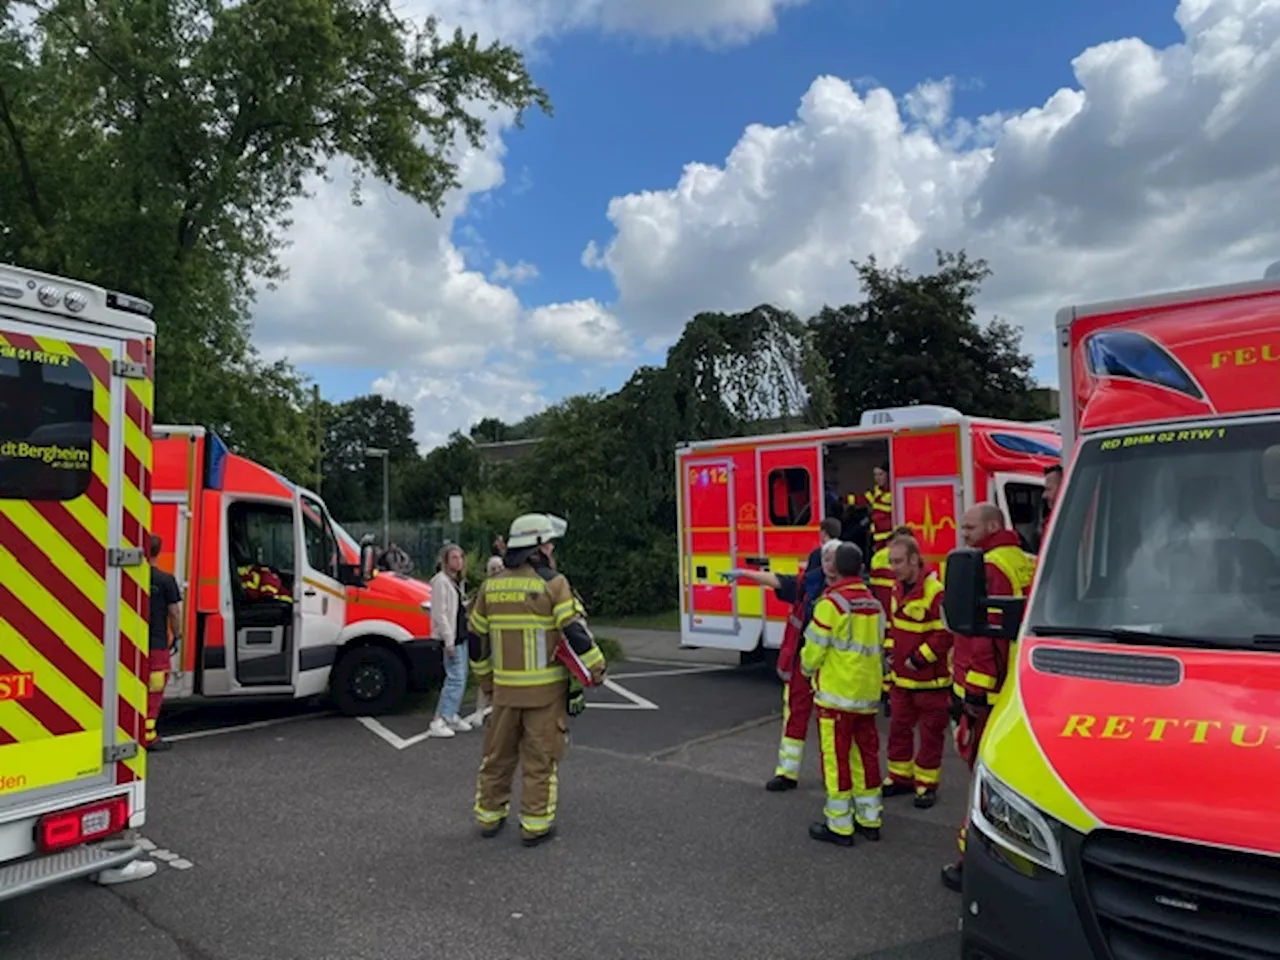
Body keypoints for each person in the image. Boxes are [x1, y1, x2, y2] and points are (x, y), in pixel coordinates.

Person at [468, 513, 607, 846]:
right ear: (536, 548)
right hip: (543, 696)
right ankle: (534, 825)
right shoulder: (553, 584)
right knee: (539, 760)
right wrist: (597, 668)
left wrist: (486, 682)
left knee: (497, 757)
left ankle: (489, 817)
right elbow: (574, 632)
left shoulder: (491, 587)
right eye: (548, 543)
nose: (551, 549)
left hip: (503, 694)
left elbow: (475, 640)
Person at [941, 502, 1037, 891]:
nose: (963, 533)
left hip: (990, 691)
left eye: (969, 527)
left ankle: (975, 864)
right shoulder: (1026, 560)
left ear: (994, 525)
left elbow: (981, 637)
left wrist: (974, 696)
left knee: (982, 778)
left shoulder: (990, 566)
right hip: (1021, 681)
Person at [725, 515, 842, 790]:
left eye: (828, 562)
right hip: (807, 661)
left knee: (833, 726)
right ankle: (788, 772)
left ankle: (835, 778)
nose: (824, 568)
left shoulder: (844, 592)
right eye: (822, 562)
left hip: (833, 666)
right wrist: (746, 574)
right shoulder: (809, 586)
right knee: (797, 715)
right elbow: (779, 580)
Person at [800, 540, 886, 846]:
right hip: (867, 693)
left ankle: (840, 825)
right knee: (866, 756)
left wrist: (807, 670)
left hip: (837, 694)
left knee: (836, 760)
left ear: (834, 569)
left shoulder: (832, 603)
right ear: (862, 568)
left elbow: (814, 650)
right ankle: (870, 819)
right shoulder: (874, 603)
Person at [881, 533, 952, 809]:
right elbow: (894, 628)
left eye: (898, 561)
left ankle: (926, 784)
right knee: (899, 728)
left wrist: (920, 658)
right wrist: (890, 653)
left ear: (913, 559)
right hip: (901, 679)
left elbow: (946, 634)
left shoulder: (935, 591)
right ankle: (900, 777)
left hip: (930, 681)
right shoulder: (897, 588)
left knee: (930, 734)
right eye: (891, 561)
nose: (893, 567)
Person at [429, 542, 473, 738]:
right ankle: (441, 719)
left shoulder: (454, 582)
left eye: (460, 557)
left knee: (461, 675)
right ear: (445, 561)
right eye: (454, 557)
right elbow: (440, 613)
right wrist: (448, 640)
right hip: (452, 637)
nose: (459, 561)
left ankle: (451, 713)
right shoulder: (440, 582)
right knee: (455, 677)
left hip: (460, 634)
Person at [144, 534, 181, 752]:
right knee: (154, 691)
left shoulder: (130, 577)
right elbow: (174, 613)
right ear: (159, 551)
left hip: (131, 645)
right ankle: (149, 736)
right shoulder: (166, 580)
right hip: (156, 644)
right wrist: (177, 635)